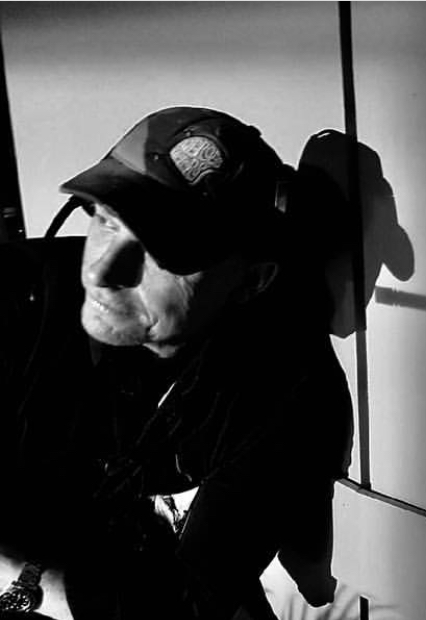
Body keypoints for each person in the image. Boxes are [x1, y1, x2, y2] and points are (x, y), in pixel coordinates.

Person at [0, 107, 353, 620]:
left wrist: (30, 586)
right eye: (104, 219)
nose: (100, 271)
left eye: (161, 252)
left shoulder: (284, 388)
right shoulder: (15, 300)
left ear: (251, 280)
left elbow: (190, 602)